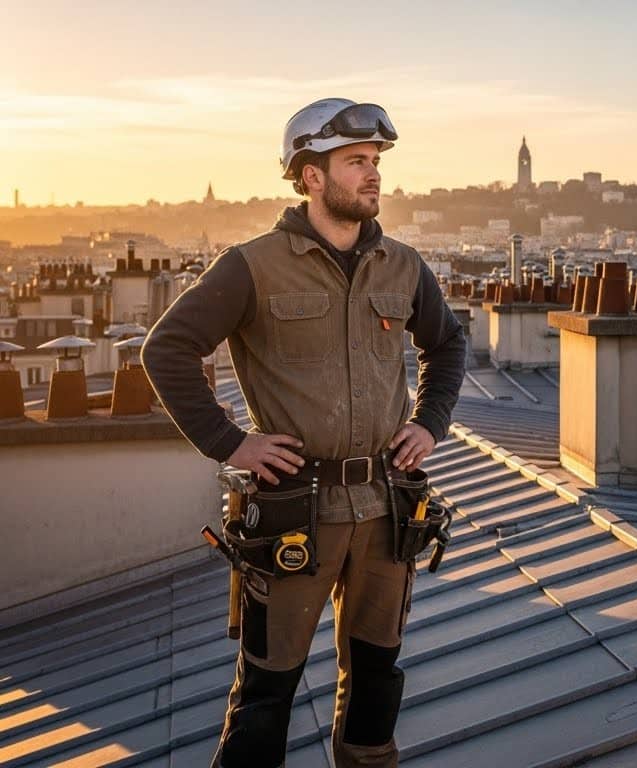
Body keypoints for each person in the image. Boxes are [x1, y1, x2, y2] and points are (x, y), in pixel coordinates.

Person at [143, 97, 467, 767]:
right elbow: (167, 349)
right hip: (293, 512)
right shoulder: (252, 265)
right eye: (356, 162)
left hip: (385, 507)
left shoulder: (403, 267)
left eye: (375, 162)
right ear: (310, 176)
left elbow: (449, 345)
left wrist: (429, 424)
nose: (373, 175)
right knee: (266, 693)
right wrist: (232, 443)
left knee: (377, 682)